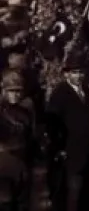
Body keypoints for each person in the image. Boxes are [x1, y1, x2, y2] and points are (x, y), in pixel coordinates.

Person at [46, 57, 89, 211]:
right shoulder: (60, 93)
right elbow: (52, 124)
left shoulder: (88, 91)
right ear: (66, 74)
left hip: (88, 150)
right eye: (74, 72)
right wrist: (59, 148)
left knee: (87, 191)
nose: (79, 76)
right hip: (70, 151)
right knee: (72, 191)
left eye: (81, 72)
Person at [0, 70, 34, 211]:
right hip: (3, 166)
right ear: (4, 90)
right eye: (11, 91)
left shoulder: (25, 112)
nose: (15, 94)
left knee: (22, 205)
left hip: (22, 164)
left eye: (18, 91)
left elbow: (30, 137)